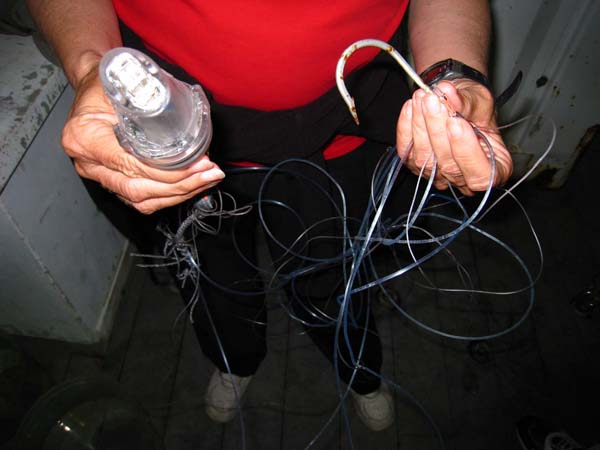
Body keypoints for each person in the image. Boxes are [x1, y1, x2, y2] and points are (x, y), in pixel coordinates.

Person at [26, 0, 513, 432]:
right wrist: (92, 69)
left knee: (332, 269)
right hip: (170, 131)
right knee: (212, 274)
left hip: (339, 129)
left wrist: (452, 79)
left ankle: (357, 368)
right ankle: (235, 359)